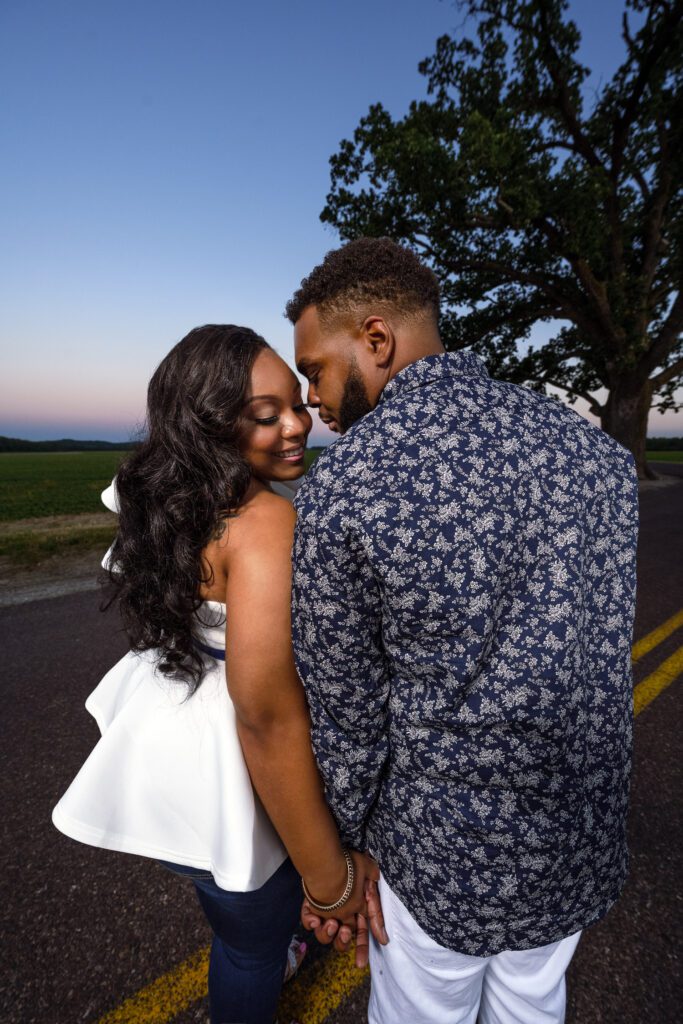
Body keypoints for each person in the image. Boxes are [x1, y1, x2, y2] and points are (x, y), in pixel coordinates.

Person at [286, 238, 639, 1024]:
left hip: (430, 856)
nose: (310, 396)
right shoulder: (599, 459)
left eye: (314, 368)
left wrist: (343, 860)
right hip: (569, 839)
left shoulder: (345, 486)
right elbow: (601, 655)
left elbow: (346, 715)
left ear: (376, 340)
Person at [52, 325, 385, 1024]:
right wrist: (330, 884)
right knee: (250, 949)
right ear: (208, 423)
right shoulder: (264, 522)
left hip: (167, 748)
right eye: (266, 416)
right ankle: (272, 947)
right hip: (230, 769)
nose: (298, 425)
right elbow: (265, 716)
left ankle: (267, 940)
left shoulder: (160, 491)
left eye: (296, 404)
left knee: (237, 921)